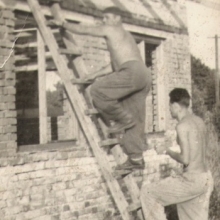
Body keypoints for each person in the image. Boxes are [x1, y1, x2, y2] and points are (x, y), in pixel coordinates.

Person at [54, 6, 151, 170]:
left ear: (117, 18)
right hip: (143, 75)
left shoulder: (112, 29)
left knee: (98, 91)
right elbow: (114, 66)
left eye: (107, 17)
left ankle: (122, 119)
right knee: (134, 118)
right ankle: (136, 158)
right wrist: (93, 76)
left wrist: (64, 24)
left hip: (132, 71)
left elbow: (87, 30)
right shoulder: (125, 37)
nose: (103, 21)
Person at [140, 88, 214, 220]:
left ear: (176, 106)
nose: (169, 110)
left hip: (192, 181)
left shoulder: (181, 126)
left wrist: (166, 151)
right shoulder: (199, 121)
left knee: (148, 192)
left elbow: (186, 159)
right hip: (206, 178)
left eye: (169, 106)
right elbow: (198, 152)